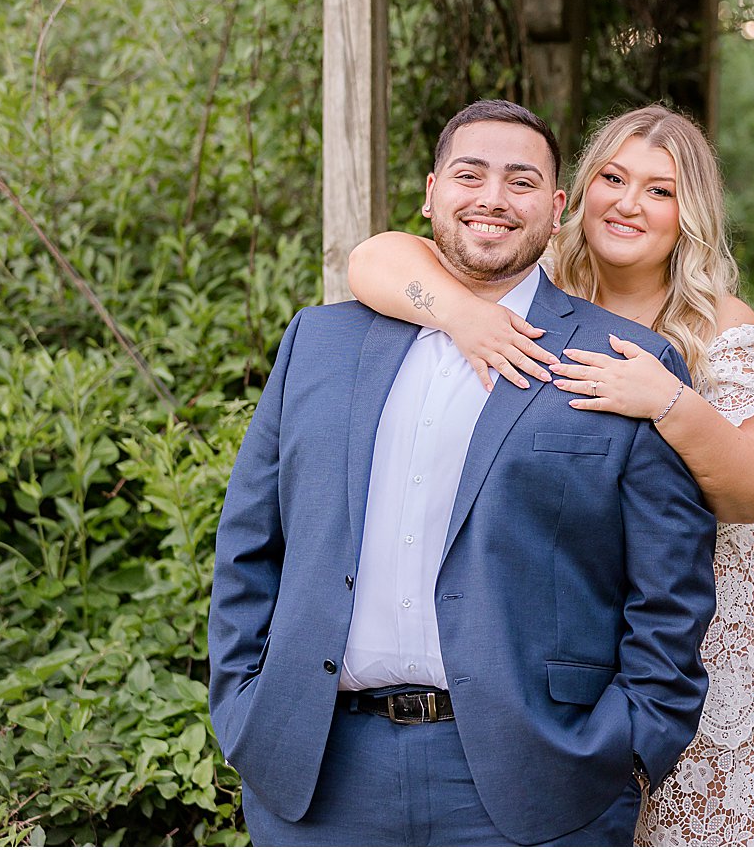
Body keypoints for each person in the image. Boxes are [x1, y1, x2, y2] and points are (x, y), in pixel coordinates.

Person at [208, 99, 718, 846]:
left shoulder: (621, 358)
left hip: (535, 783)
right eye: (469, 174)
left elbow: (670, 586)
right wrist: (245, 707)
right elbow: (250, 541)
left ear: (554, 208)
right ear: (431, 191)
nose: (491, 198)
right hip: (317, 776)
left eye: (520, 182)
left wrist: (629, 749)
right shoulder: (318, 343)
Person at [348, 103, 754, 846]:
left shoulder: (721, 324)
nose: (628, 202)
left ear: (691, 214)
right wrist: (459, 314)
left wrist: (668, 400)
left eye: (659, 190)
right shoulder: (530, 286)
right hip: (575, 621)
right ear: (575, 195)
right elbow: (372, 259)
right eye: (612, 178)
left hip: (719, 637)